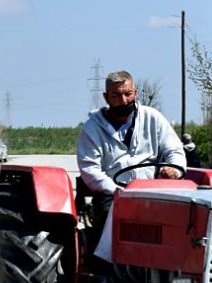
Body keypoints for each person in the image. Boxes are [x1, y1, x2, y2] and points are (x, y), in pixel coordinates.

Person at [77, 70, 186, 233]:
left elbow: (174, 150)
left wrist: (174, 169)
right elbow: (90, 170)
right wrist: (116, 190)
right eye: (116, 95)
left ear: (135, 93)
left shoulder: (153, 118)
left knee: (184, 218)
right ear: (106, 98)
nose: (123, 100)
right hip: (113, 194)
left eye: (128, 94)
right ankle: (108, 256)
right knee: (112, 221)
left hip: (154, 191)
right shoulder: (92, 128)